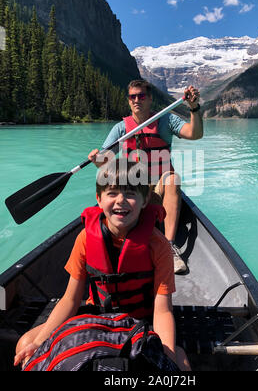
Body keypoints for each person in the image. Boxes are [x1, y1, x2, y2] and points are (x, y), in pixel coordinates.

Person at [14, 159, 191, 371]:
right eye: (112, 193)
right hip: (96, 316)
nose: (121, 201)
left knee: (179, 361)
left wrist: (166, 356)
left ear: (145, 202)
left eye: (131, 194)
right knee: (26, 342)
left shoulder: (157, 245)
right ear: (99, 199)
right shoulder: (86, 239)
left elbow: (162, 311)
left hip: (140, 322)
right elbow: (70, 300)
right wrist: (39, 343)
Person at [88, 80, 203, 274]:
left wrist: (194, 108)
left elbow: (195, 134)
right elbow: (104, 160)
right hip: (134, 189)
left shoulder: (167, 120)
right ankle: (116, 241)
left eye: (141, 96)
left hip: (159, 186)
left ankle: (169, 246)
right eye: (132, 97)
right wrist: (95, 158)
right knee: (113, 183)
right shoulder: (120, 129)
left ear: (149, 99)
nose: (136, 100)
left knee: (173, 179)